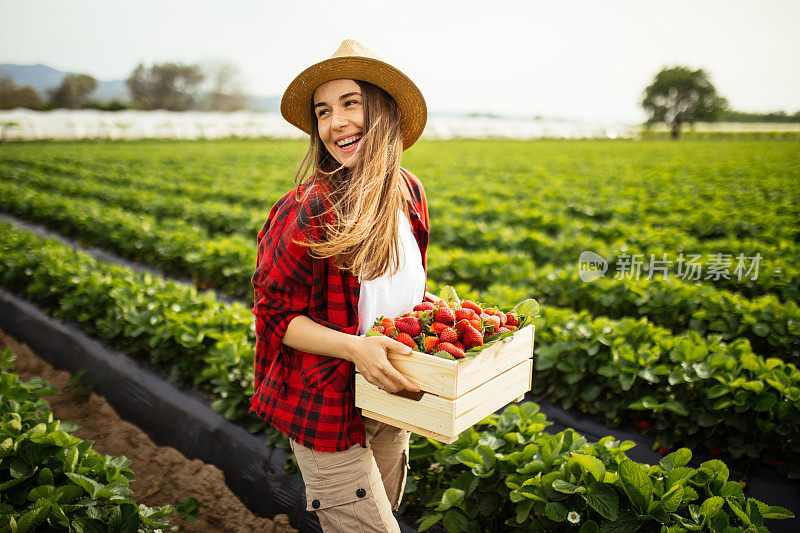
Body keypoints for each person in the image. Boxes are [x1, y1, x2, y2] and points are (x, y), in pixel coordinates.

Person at [249, 40, 436, 533]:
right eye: (324, 111)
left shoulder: (408, 191)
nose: (335, 123)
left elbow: (397, 282)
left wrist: (428, 311)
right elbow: (272, 316)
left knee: (383, 511)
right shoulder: (308, 207)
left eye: (351, 103)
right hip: (327, 403)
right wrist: (355, 348)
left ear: (383, 109)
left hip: (390, 388)